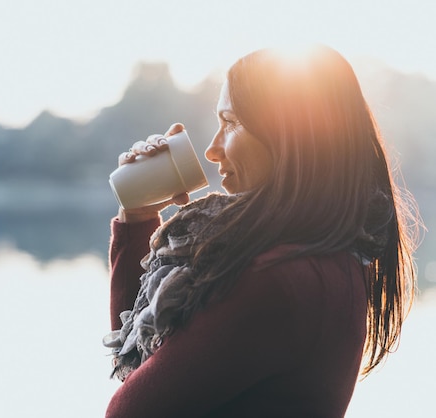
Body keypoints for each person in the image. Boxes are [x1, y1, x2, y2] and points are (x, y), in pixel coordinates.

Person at [102, 44, 418, 417]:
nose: (212, 150)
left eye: (230, 122)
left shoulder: (278, 280)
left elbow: (130, 410)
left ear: (289, 135)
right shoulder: (325, 255)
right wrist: (137, 217)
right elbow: (143, 371)